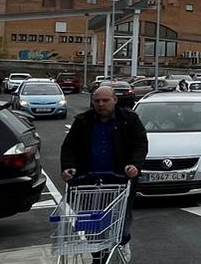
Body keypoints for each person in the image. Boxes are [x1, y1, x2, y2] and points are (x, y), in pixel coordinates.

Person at [60, 85, 149, 250]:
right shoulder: (83, 121)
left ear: (115, 100)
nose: (101, 104)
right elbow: (69, 147)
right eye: (97, 101)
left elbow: (140, 144)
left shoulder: (129, 119)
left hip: (120, 179)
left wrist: (134, 164)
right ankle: (98, 260)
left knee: (120, 218)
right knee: (91, 222)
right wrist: (68, 167)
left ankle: (122, 242)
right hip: (89, 180)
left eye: (105, 100)